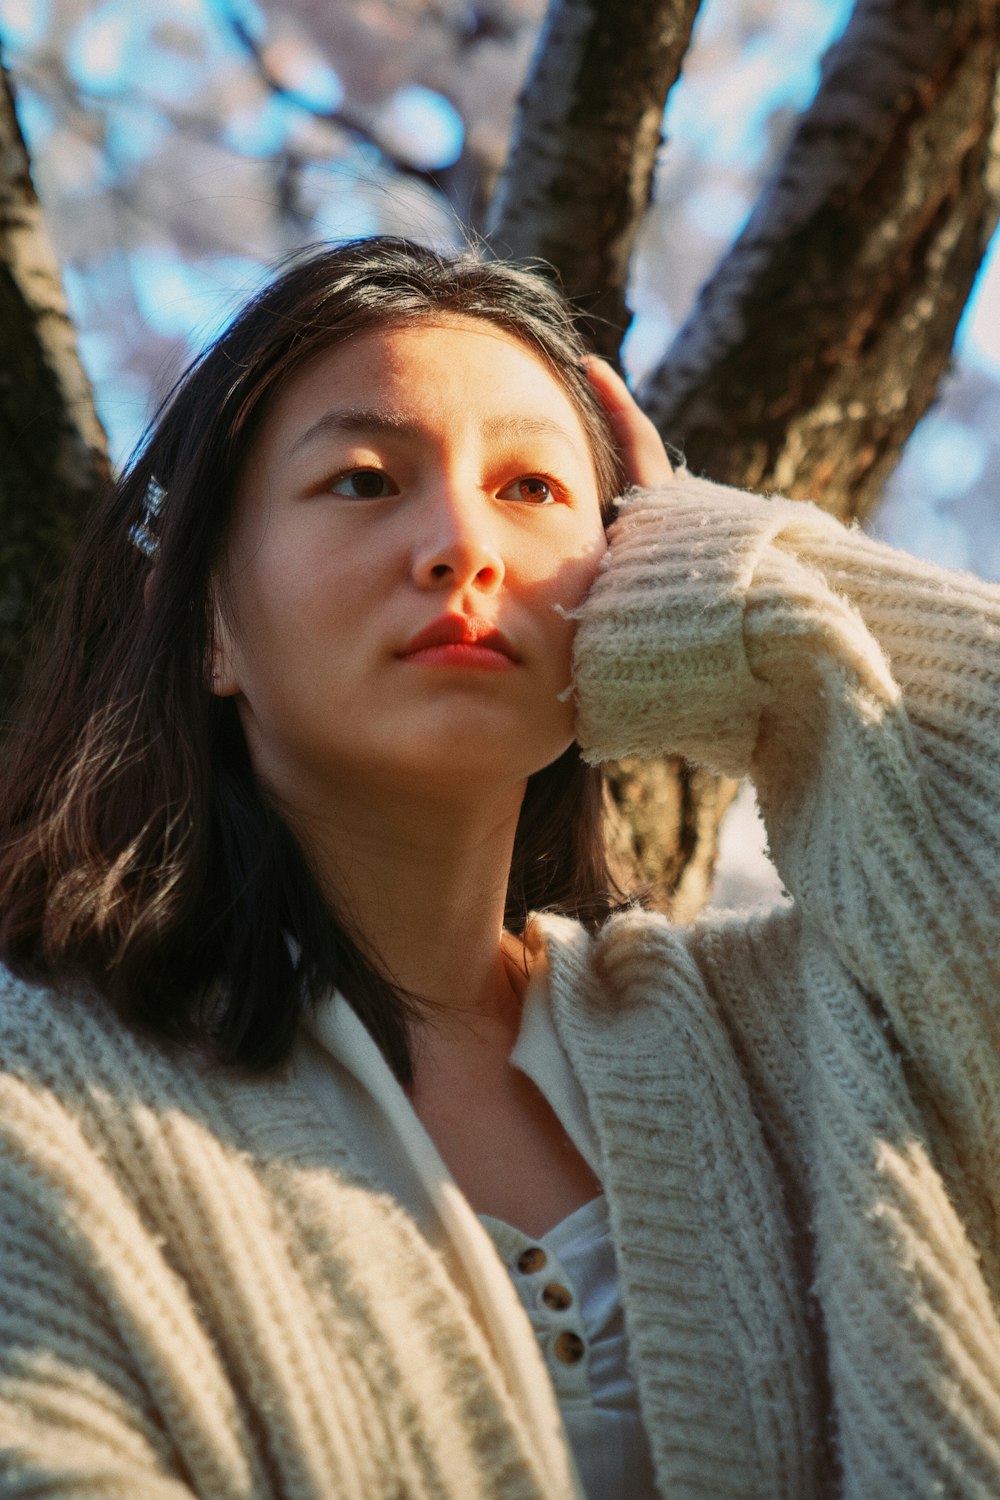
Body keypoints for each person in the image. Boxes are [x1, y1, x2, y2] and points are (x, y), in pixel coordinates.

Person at [0, 236, 998, 1500]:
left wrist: (734, 598)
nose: (462, 546)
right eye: (363, 481)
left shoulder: (794, 1035)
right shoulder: (40, 1099)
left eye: (532, 490)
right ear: (207, 622)